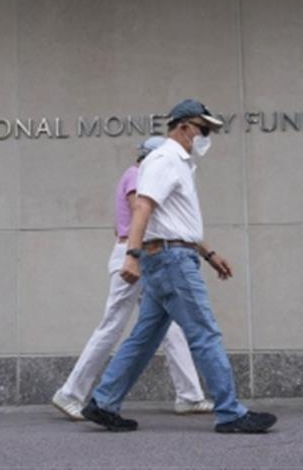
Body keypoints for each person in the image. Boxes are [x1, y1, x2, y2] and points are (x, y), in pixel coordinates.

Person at [81, 99, 278, 434]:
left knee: (145, 337)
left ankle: (103, 402)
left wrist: (209, 254)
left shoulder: (179, 163)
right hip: (172, 261)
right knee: (204, 332)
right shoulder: (165, 159)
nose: (206, 137)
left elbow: (174, 222)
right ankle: (230, 413)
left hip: (171, 257)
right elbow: (143, 207)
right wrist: (132, 255)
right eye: (204, 129)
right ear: (184, 126)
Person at [51, 136, 214, 420]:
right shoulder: (138, 175)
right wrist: (136, 255)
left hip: (143, 254)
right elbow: (143, 214)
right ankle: (70, 394)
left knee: (171, 328)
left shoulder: (140, 174)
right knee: (112, 325)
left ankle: (189, 396)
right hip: (135, 254)